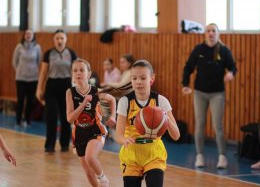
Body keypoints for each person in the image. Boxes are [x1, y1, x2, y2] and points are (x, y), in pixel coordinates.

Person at [116, 59, 180, 187]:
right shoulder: (125, 102)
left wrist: (165, 117)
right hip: (131, 153)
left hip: (154, 153)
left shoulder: (160, 101)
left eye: (143, 78)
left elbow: (176, 135)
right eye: (134, 78)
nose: (138, 82)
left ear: (152, 79)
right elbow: (118, 135)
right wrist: (124, 140)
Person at [182, 23, 237, 169]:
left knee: (217, 126)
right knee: (199, 125)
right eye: (208, 31)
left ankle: (222, 157)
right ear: (205, 34)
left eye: (214, 31)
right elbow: (188, 67)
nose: (211, 33)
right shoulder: (199, 50)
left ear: (218, 33)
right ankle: (199, 156)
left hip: (217, 93)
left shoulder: (224, 51)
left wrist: (231, 73)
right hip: (200, 92)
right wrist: (185, 85)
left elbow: (232, 66)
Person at [66, 59, 116, 187]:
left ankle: (103, 180)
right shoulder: (70, 92)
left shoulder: (96, 91)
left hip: (96, 130)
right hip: (79, 133)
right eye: (75, 70)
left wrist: (113, 116)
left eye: (81, 70)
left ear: (89, 74)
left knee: (90, 157)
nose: (78, 73)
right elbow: (70, 118)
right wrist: (83, 104)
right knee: (88, 172)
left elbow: (112, 100)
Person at [36, 29, 77, 153]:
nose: (59, 40)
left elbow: (76, 72)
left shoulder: (71, 53)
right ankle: (49, 145)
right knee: (51, 116)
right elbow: (43, 73)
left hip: (66, 86)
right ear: (54, 40)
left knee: (66, 117)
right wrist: (39, 88)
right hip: (52, 86)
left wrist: (78, 88)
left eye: (62, 38)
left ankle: (65, 144)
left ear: (65, 39)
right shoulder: (48, 53)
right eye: (57, 38)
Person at [12, 29, 42, 127]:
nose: (28, 35)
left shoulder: (37, 47)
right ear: (24, 35)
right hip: (21, 78)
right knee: (20, 100)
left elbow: (39, 61)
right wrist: (20, 71)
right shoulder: (19, 47)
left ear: (33, 36)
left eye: (30, 34)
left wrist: (33, 71)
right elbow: (14, 62)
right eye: (27, 34)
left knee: (30, 101)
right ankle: (18, 120)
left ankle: (27, 120)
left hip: (33, 78)